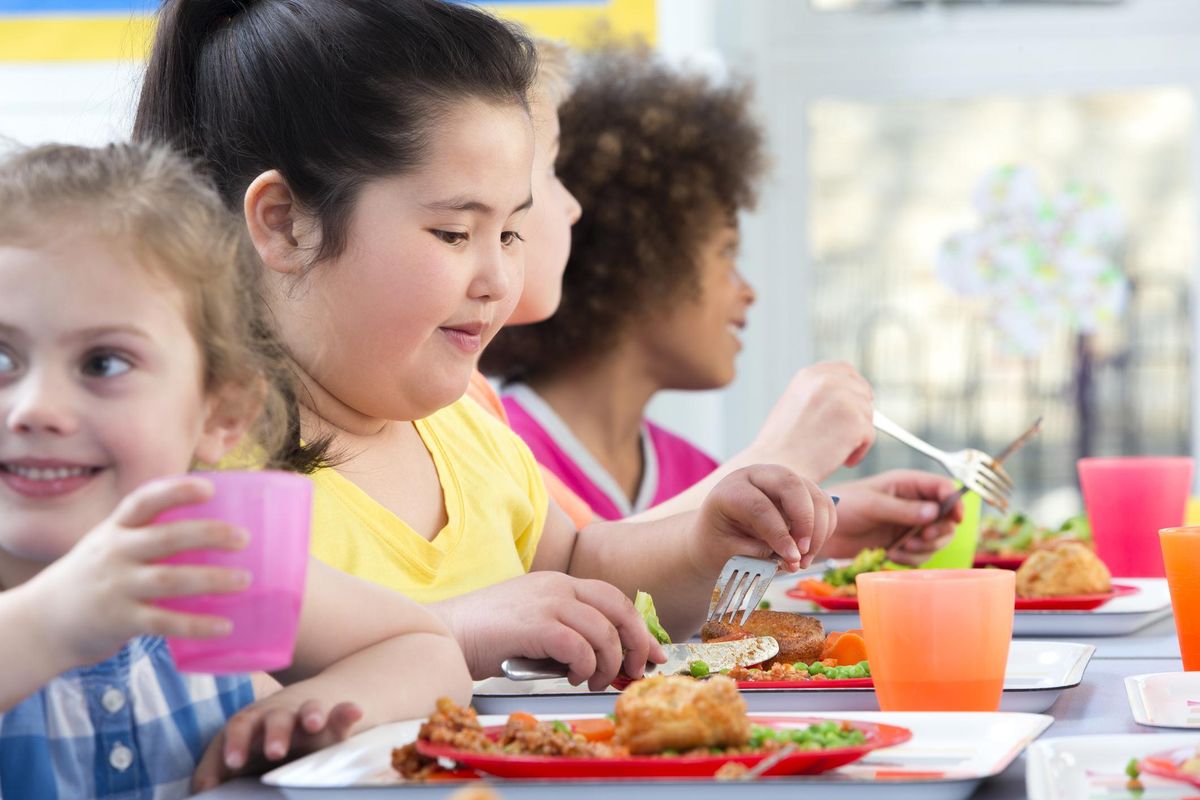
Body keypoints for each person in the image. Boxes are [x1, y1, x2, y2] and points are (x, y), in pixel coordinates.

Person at [133, 0, 838, 692]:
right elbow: (235, 708)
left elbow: (580, 571)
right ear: (286, 225)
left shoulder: (462, 432)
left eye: (509, 233)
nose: (499, 279)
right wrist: (455, 632)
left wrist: (703, 544)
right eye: (453, 234)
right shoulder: (207, 470)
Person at [0, 142, 472, 798]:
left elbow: (426, 651)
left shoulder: (209, 564)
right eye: (1, 360)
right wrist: (51, 623)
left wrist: (304, 707)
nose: (34, 409)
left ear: (220, 416)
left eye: (103, 363)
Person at [481, 45, 963, 556]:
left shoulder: (696, 470)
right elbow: (595, 572)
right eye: (726, 253)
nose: (748, 289)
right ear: (642, 262)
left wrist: (825, 521)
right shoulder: (499, 445)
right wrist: (785, 455)